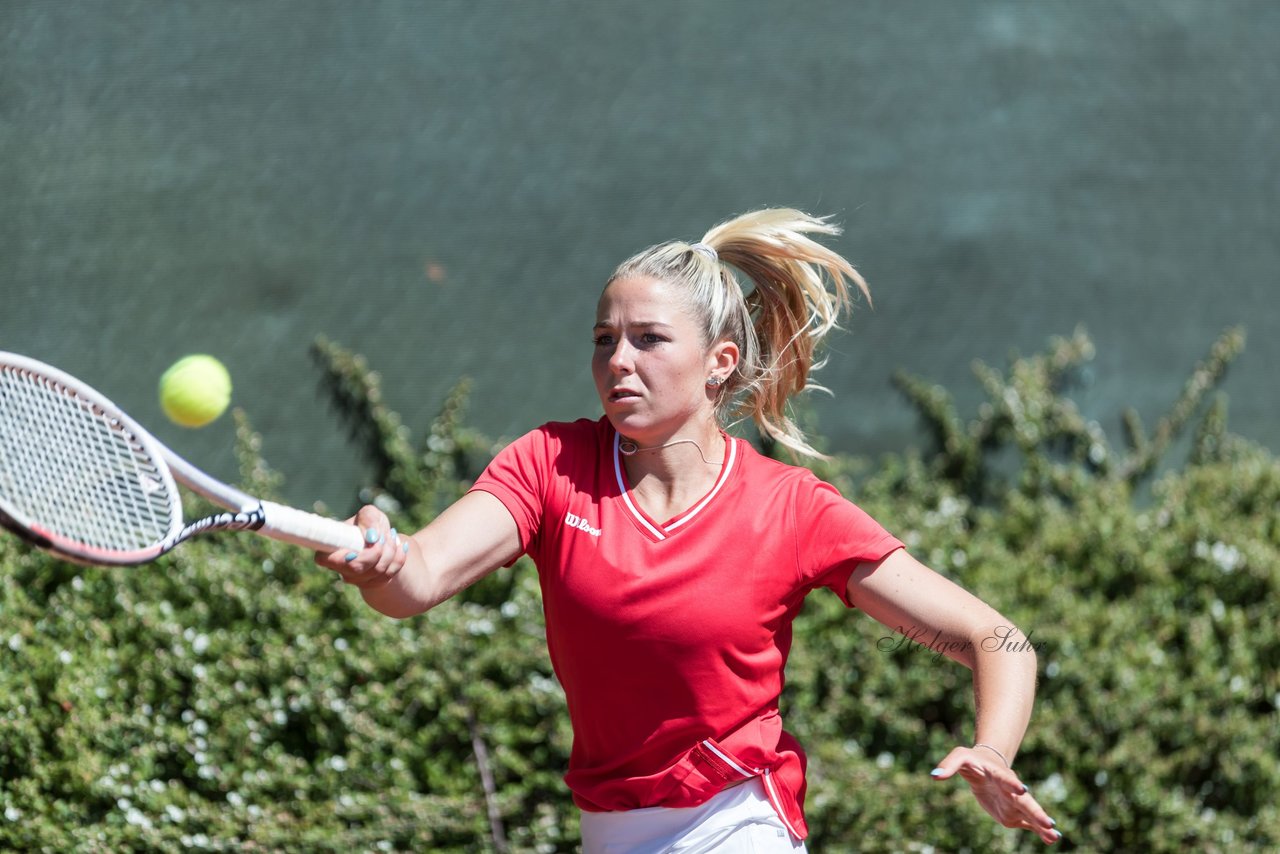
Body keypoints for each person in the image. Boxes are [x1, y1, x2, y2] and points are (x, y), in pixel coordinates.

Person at [316, 209, 1062, 851]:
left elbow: (994, 639)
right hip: (608, 829)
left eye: (649, 339)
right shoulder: (551, 465)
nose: (619, 362)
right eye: (604, 339)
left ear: (719, 363)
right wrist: (383, 562)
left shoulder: (789, 508)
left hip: (739, 824)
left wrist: (992, 749)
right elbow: (419, 581)